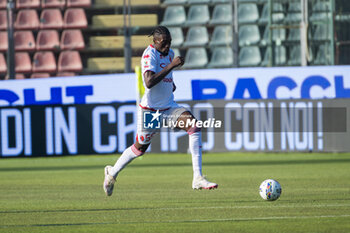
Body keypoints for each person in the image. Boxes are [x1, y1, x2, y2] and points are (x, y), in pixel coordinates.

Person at [103, 26, 218, 196]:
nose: (167, 46)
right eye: (163, 43)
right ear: (154, 42)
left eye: (169, 42)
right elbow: (149, 82)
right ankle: (112, 173)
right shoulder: (149, 55)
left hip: (169, 107)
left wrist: (170, 84)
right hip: (151, 111)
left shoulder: (170, 53)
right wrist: (171, 66)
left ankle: (198, 177)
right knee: (139, 148)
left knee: (193, 126)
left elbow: (164, 77)